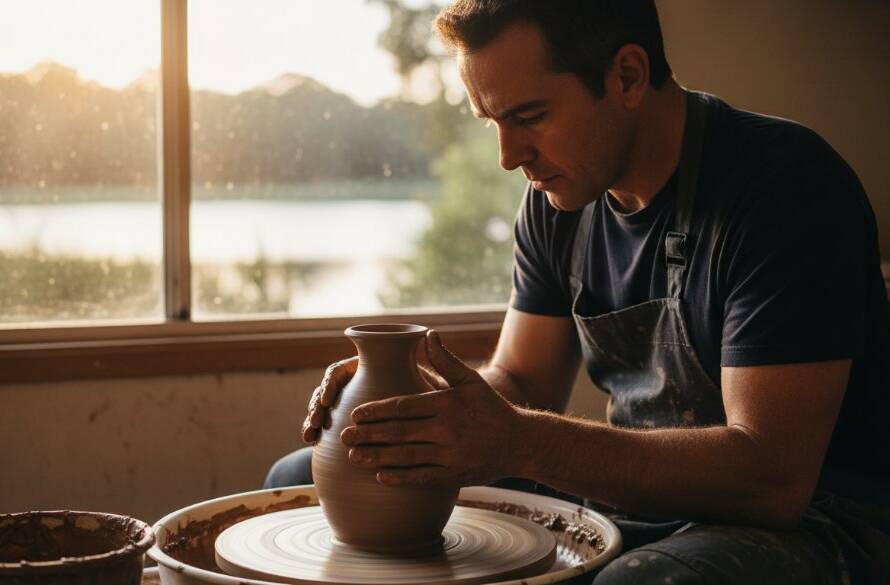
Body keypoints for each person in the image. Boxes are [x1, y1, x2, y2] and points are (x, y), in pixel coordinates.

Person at [266, 1, 890, 583]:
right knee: (299, 478)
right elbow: (523, 382)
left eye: (529, 117)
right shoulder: (560, 199)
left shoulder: (783, 187)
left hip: (822, 519)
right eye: (492, 122)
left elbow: (771, 478)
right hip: (644, 497)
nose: (510, 157)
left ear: (626, 76)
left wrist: (517, 439)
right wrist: (413, 406)